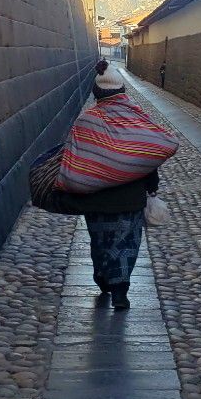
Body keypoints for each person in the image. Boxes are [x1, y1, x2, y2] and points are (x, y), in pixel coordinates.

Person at [54, 61, 160, 311]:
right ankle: (121, 289)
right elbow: (148, 155)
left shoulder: (86, 121)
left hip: (96, 198)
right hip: (130, 197)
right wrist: (152, 185)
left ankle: (102, 276)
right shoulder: (137, 119)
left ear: (96, 93)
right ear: (122, 91)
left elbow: (74, 156)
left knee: (100, 239)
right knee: (127, 242)